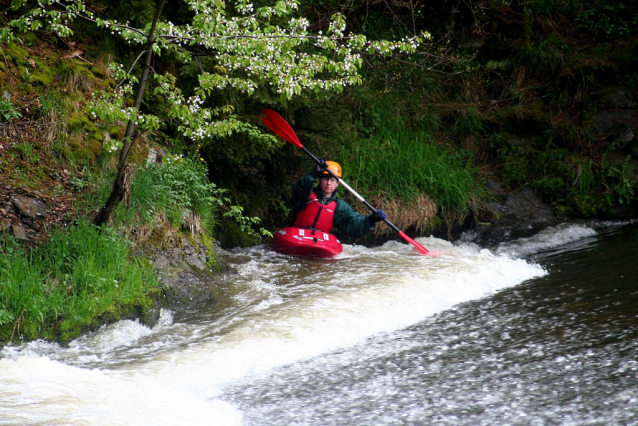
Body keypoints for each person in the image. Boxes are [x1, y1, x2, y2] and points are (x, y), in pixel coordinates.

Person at [291, 160, 387, 238]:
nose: (328, 183)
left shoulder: (339, 206)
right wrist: (313, 174)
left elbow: (353, 225)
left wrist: (371, 219)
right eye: (325, 179)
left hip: (320, 241)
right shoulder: (306, 194)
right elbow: (299, 189)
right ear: (320, 180)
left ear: (337, 183)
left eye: (332, 180)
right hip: (298, 235)